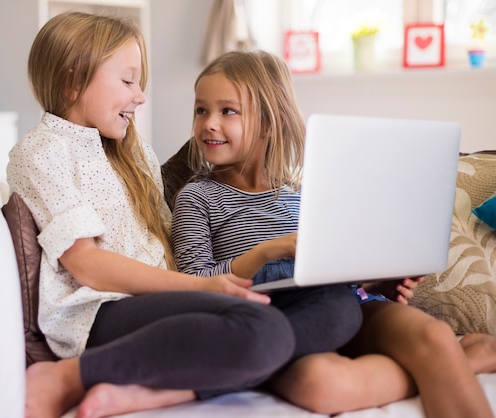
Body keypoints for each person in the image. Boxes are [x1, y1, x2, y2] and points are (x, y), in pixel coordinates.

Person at [7, 12, 364, 418]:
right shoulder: (42, 151)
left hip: (169, 299)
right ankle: (73, 376)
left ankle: (174, 390)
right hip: (101, 310)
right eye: (127, 81)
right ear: (73, 80)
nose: (140, 96)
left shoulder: (133, 151)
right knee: (263, 330)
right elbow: (86, 264)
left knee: (338, 306)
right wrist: (202, 288)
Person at [171, 49, 496, 418]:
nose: (209, 123)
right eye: (201, 110)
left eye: (227, 110)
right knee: (322, 384)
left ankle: (445, 358)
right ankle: (465, 360)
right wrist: (266, 252)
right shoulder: (198, 197)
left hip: (349, 306)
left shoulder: (303, 194)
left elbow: (334, 270)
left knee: (433, 336)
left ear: (267, 122)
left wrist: (380, 285)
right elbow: (193, 283)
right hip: (282, 324)